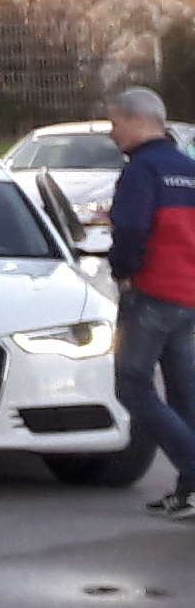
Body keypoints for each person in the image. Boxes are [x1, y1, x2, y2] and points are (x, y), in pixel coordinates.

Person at [97, 86, 195, 518]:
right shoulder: (188, 168)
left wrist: (121, 271)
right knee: (184, 394)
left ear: (138, 120)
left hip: (151, 294)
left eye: (115, 123)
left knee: (132, 387)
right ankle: (189, 492)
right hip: (188, 297)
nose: (112, 132)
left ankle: (194, 470)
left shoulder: (142, 170)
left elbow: (132, 230)